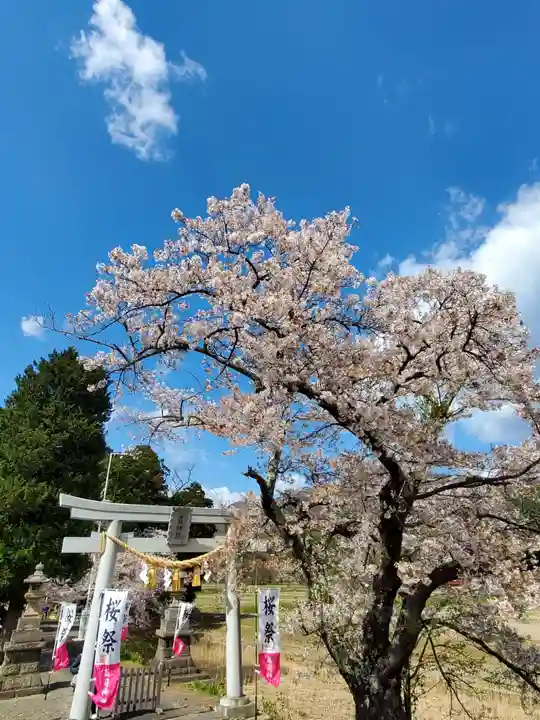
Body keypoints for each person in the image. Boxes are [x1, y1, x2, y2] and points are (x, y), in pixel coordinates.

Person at [69, 652, 97, 719]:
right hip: (82, 682)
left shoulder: (98, 655)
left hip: (94, 682)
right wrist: (80, 670)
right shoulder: (81, 656)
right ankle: (78, 715)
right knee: (80, 700)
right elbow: (72, 668)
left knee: (93, 699)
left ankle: (93, 714)